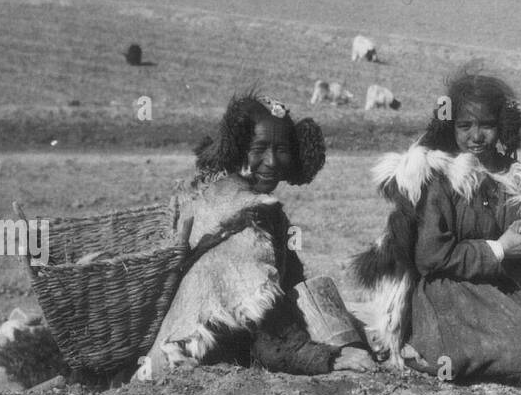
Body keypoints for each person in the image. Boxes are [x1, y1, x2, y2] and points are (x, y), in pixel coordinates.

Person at [351, 71, 521, 385]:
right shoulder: (440, 178)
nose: (476, 136)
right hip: (447, 294)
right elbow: (430, 257)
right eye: (464, 126)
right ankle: (427, 350)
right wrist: (499, 248)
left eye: (487, 125)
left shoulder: (510, 176)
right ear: (450, 126)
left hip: (498, 289)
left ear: (502, 126)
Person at [138, 91, 375, 380]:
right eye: (260, 147)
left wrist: (355, 331)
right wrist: (329, 357)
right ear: (238, 149)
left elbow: (292, 288)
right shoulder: (242, 221)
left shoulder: (258, 208)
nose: (272, 161)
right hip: (191, 370)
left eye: (282, 149)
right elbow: (270, 337)